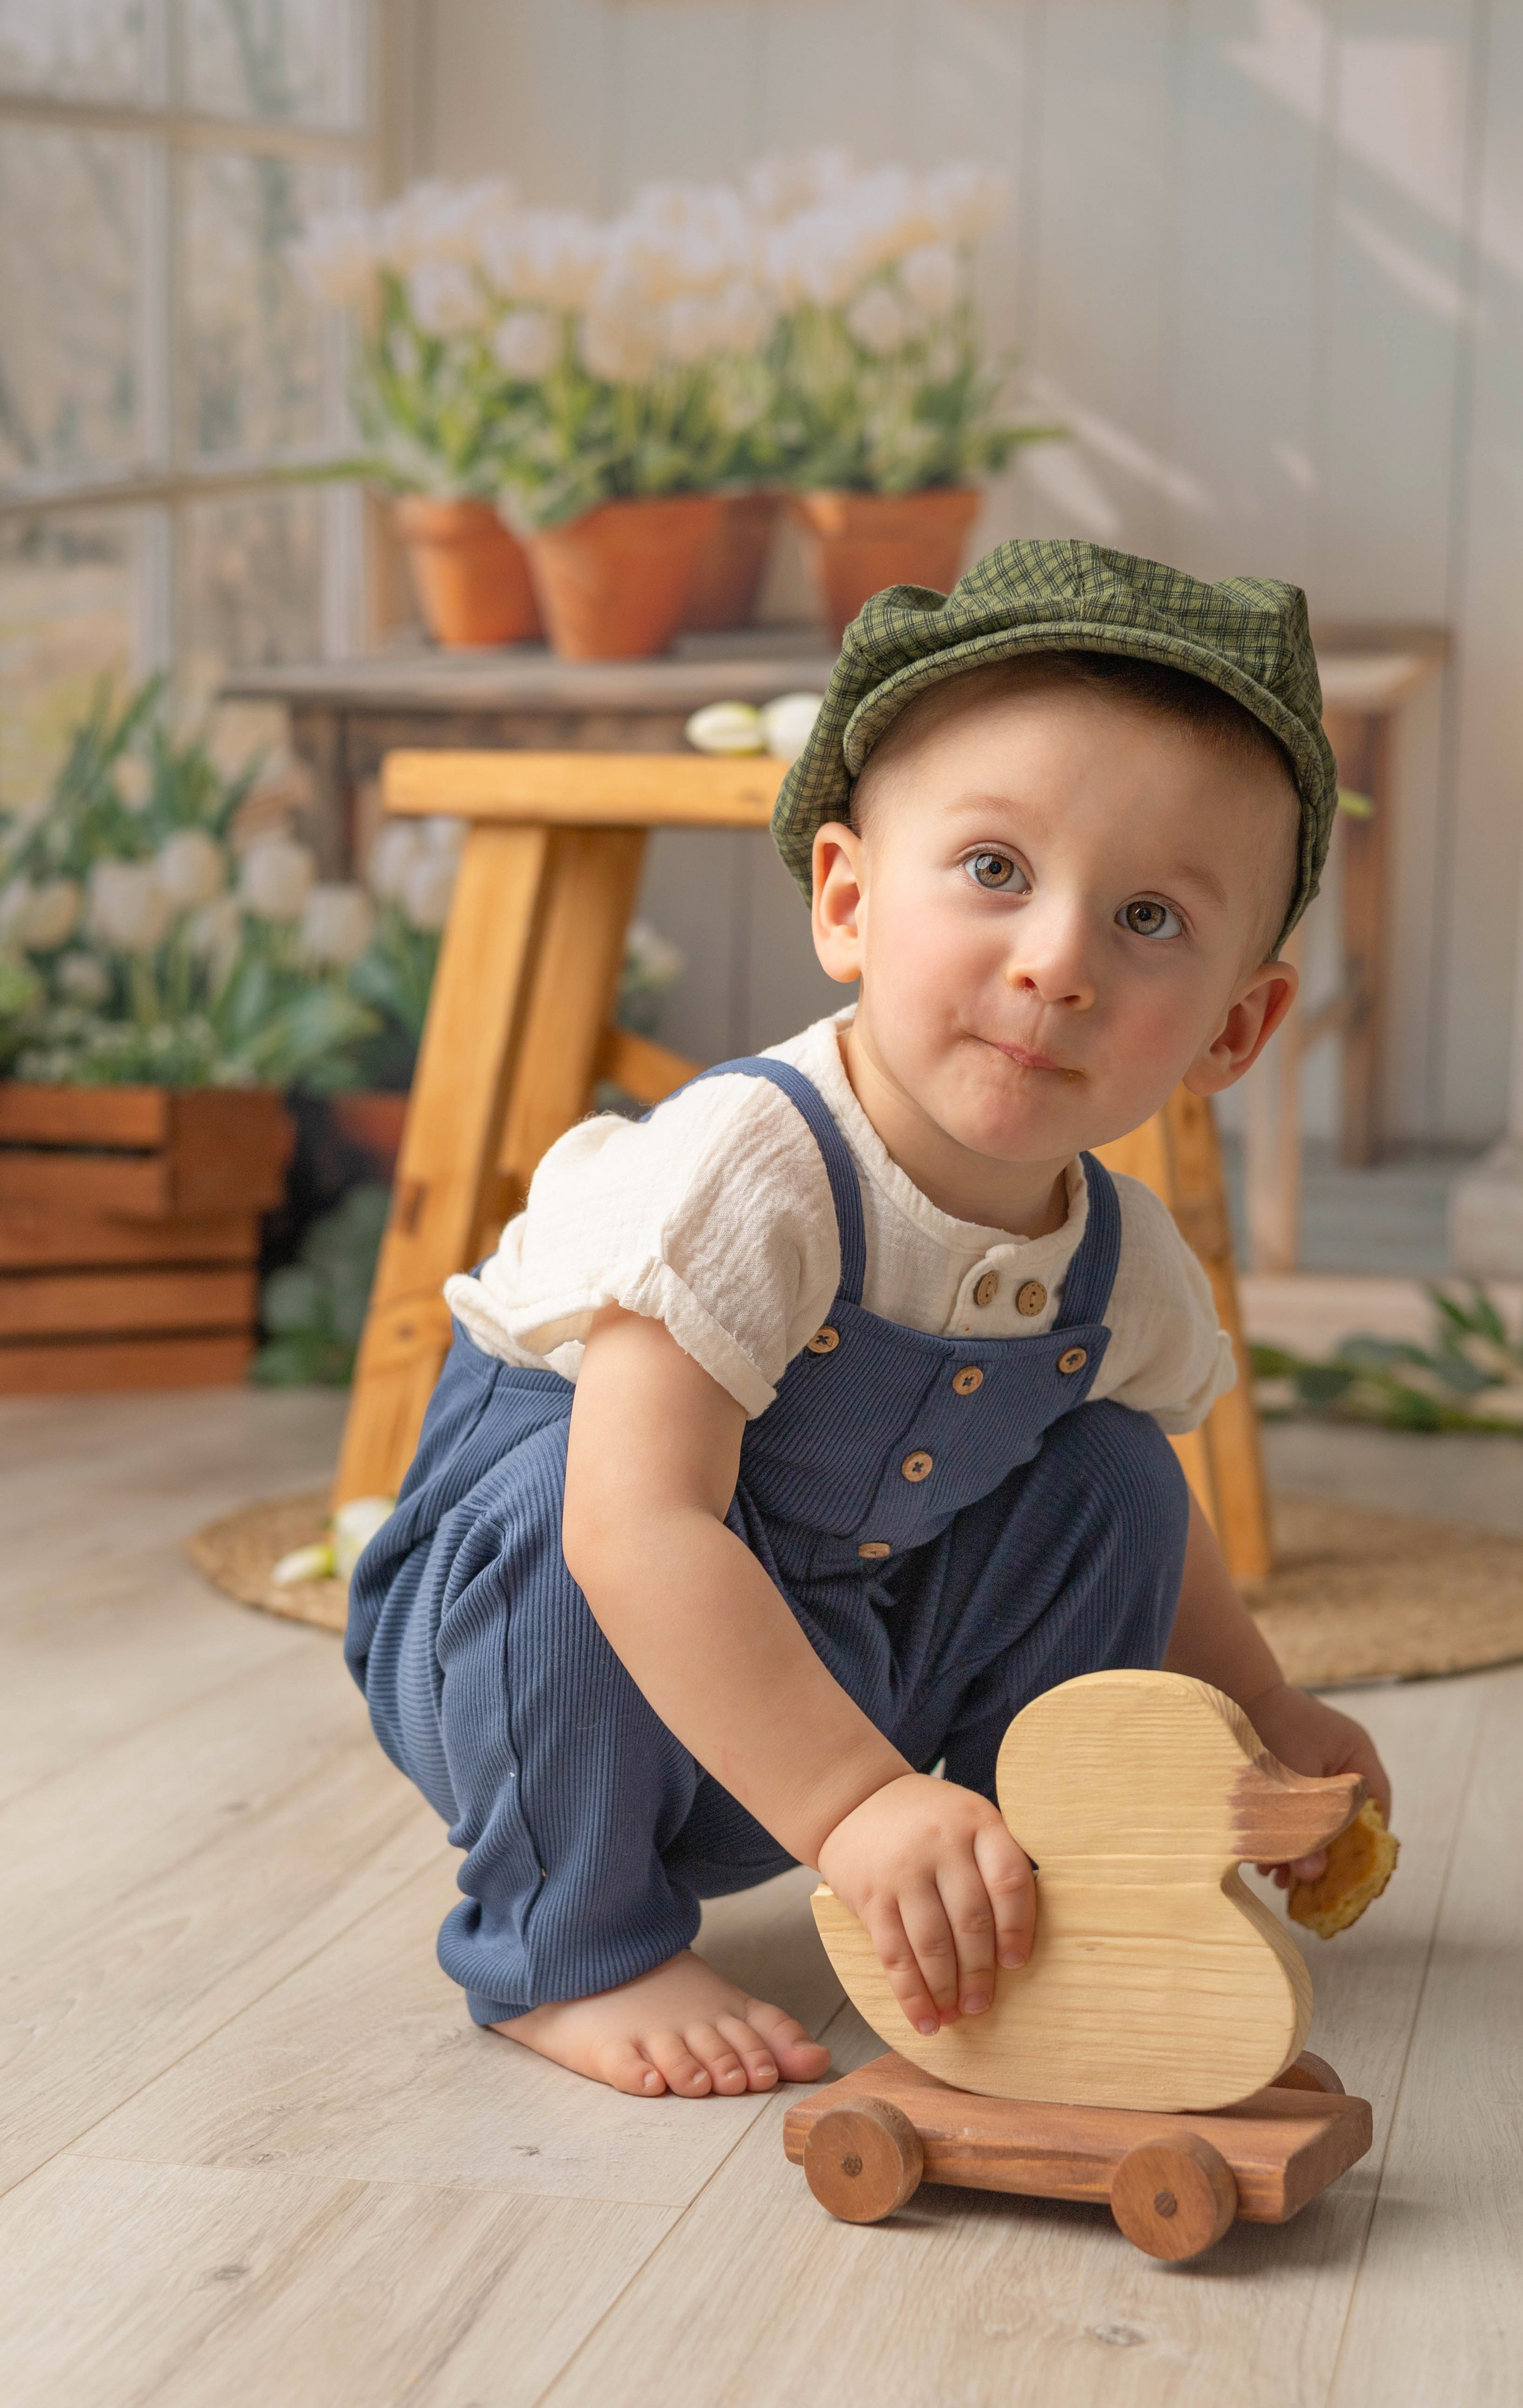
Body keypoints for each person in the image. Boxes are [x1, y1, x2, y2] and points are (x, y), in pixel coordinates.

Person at [347, 538, 1391, 2103]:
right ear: (844, 900)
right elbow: (636, 1536)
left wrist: (1259, 1700)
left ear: (1237, 1025)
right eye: (992, 872)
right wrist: (853, 1807)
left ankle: (1036, 1887)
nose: (1054, 964)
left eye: (1152, 921)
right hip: (551, 1659)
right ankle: (568, 1946)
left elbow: (1149, 1540)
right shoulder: (753, 1169)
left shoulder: (1119, 1258)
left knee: (1109, 1471)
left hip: (832, 1654)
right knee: (569, 1506)